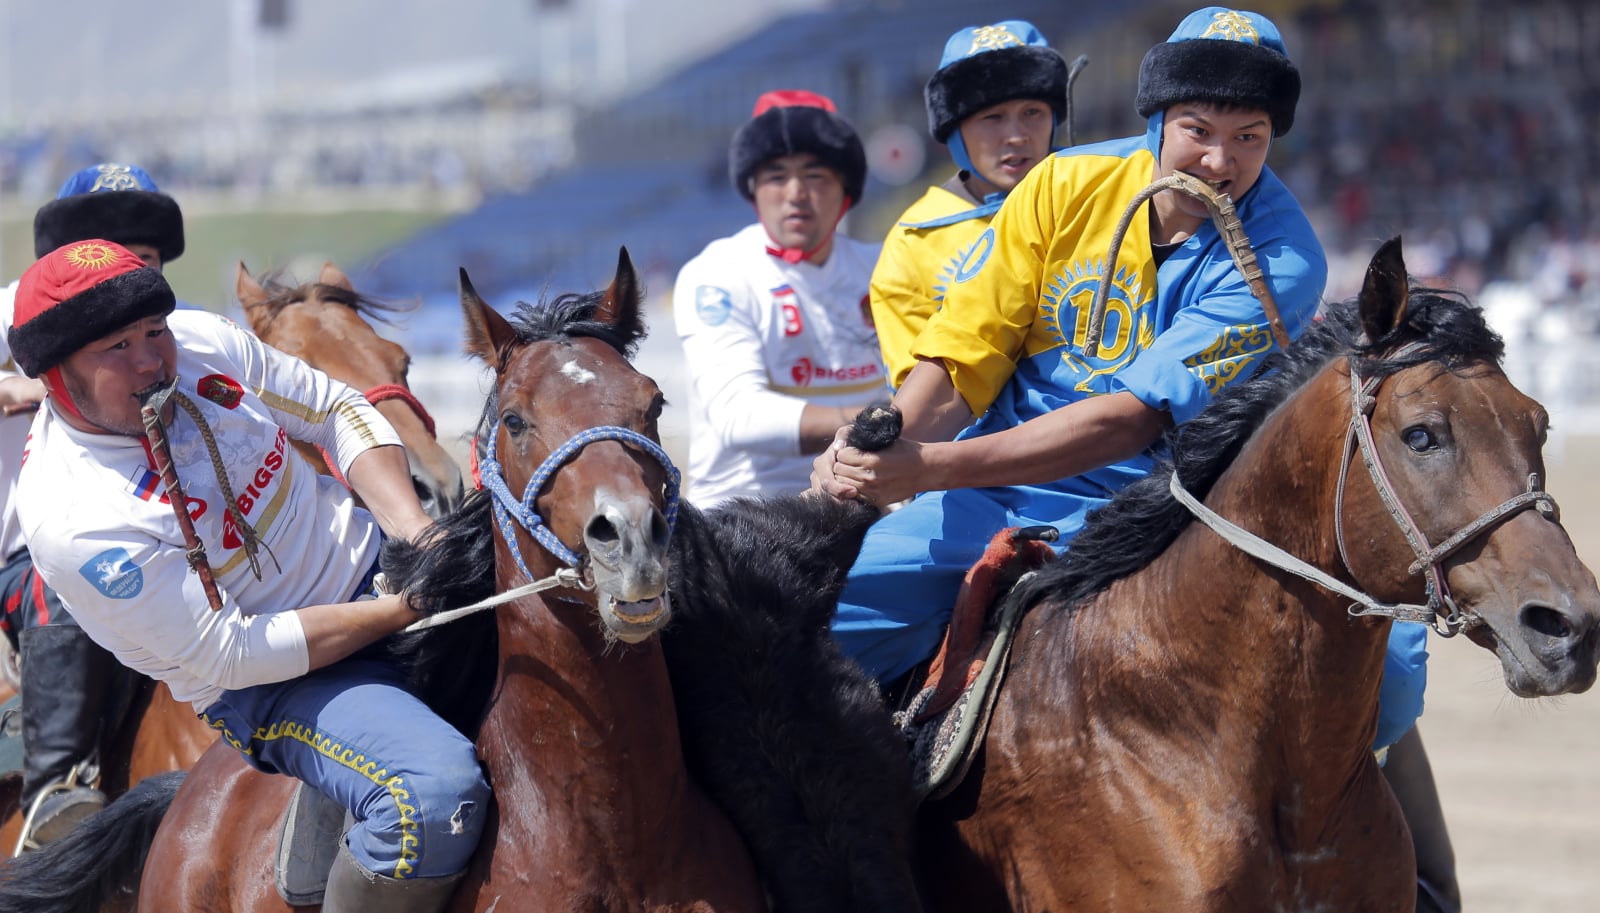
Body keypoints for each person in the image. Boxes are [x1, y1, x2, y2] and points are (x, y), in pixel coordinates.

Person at [814, 8, 1453, 908]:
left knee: (1387, 689)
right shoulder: (1061, 187)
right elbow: (959, 356)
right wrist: (881, 438)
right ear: (1157, 122)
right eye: (1197, 131)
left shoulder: (1282, 254)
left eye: (1249, 137)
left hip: (1177, 511)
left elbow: (1128, 421)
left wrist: (927, 469)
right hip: (992, 492)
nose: (1220, 162)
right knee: (807, 622)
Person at [9, 240, 487, 913]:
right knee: (434, 796)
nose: (150, 358)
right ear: (57, 375)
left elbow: (334, 410)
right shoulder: (73, 518)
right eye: (116, 348)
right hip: (279, 681)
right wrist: (395, 610)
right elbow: (232, 650)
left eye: (154, 331)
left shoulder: (202, 342)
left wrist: (418, 532)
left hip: (386, 564)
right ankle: (57, 779)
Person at [0, 162, 189, 847]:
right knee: (70, 574)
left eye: (144, 258)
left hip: (167, 527)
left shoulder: (172, 337)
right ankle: (57, 786)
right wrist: (19, 390)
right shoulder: (10, 314)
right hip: (33, 555)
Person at [674, 89, 885, 506]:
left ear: (847, 188)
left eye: (814, 175)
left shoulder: (887, 267)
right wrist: (875, 424)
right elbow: (740, 417)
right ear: (753, 190)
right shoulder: (717, 272)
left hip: (865, 504)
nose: (795, 193)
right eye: (776, 176)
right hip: (745, 513)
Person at [873, 20, 1070, 390]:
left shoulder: (1100, 196)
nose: (1015, 135)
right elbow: (915, 391)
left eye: (1032, 112)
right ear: (954, 132)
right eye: (991, 117)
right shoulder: (914, 240)